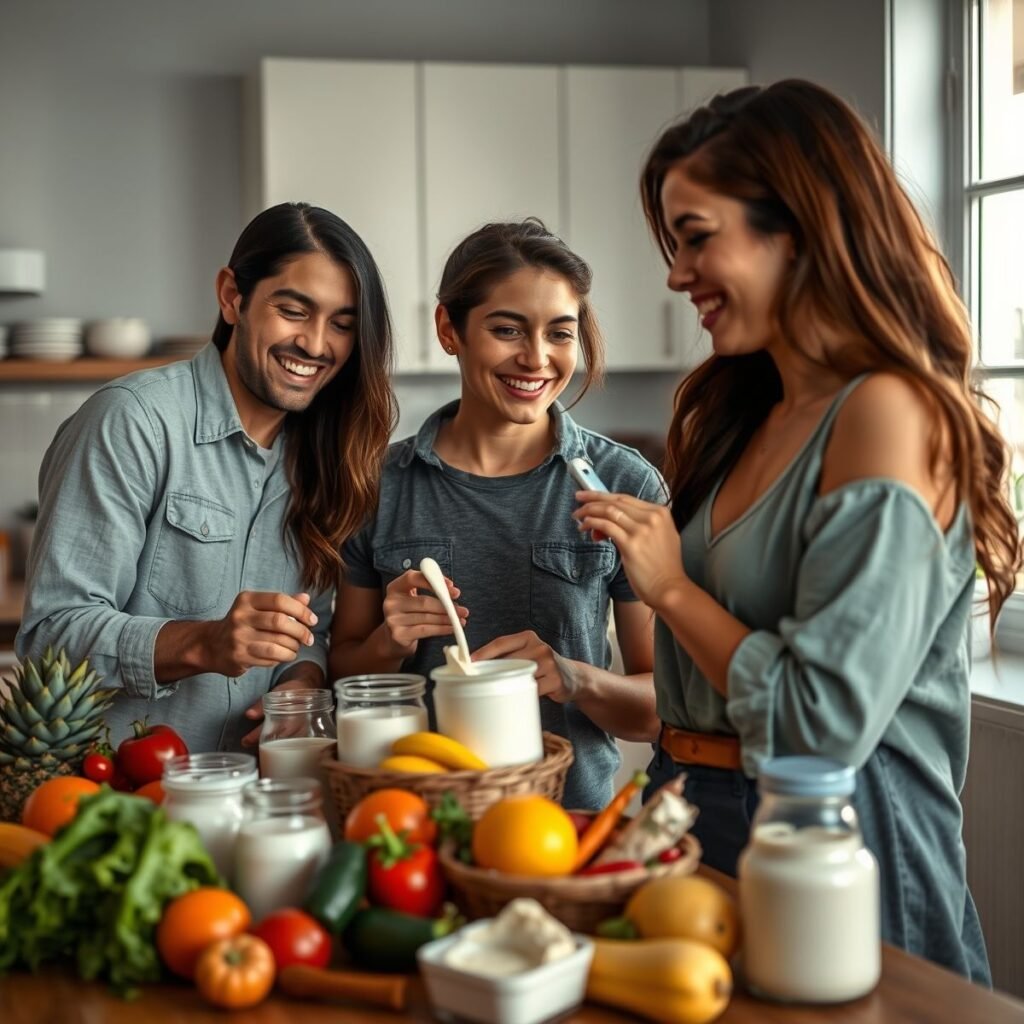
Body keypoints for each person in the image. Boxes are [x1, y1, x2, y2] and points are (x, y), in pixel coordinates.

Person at [573, 81, 1021, 982]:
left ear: (799, 227)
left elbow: (820, 725)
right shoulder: (751, 412)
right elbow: (703, 683)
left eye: (696, 236)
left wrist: (669, 588)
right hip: (693, 816)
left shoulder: (888, 415)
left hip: (837, 844)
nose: (673, 273)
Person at [17, 202, 397, 752]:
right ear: (231, 296)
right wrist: (204, 643)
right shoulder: (133, 421)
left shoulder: (325, 454)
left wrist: (299, 690)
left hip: (257, 800)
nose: (316, 345)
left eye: (341, 324)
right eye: (293, 310)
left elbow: (308, 635)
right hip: (123, 804)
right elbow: (49, 640)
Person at [330, 220, 663, 810]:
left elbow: (664, 710)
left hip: (566, 828)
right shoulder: (378, 485)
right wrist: (389, 641)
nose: (536, 358)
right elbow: (343, 678)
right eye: (507, 329)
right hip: (411, 825)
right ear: (448, 329)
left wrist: (573, 677)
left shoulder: (626, 484)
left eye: (560, 334)